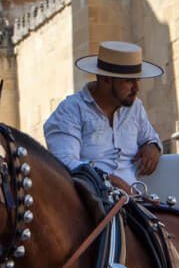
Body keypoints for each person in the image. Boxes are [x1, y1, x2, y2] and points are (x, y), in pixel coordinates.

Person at [43, 41, 163, 188]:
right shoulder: (71, 110)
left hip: (134, 202)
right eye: (128, 81)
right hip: (90, 202)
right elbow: (64, 161)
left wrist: (153, 147)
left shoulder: (135, 107)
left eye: (137, 80)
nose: (137, 88)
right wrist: (109, 180)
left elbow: (150, 137)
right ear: (106, 79)